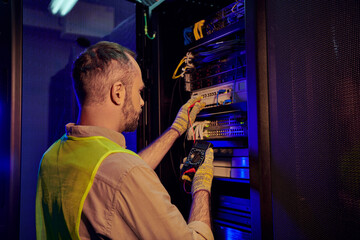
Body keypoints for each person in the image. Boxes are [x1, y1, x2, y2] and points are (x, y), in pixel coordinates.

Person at [35, 41, 214, 240]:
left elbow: (112, 181)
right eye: (139, 91)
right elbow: (123, 177)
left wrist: (175, 130)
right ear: (118, 92)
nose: (142, 102)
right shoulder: (123, 172)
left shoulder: (51, 157)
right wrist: (201, 187)